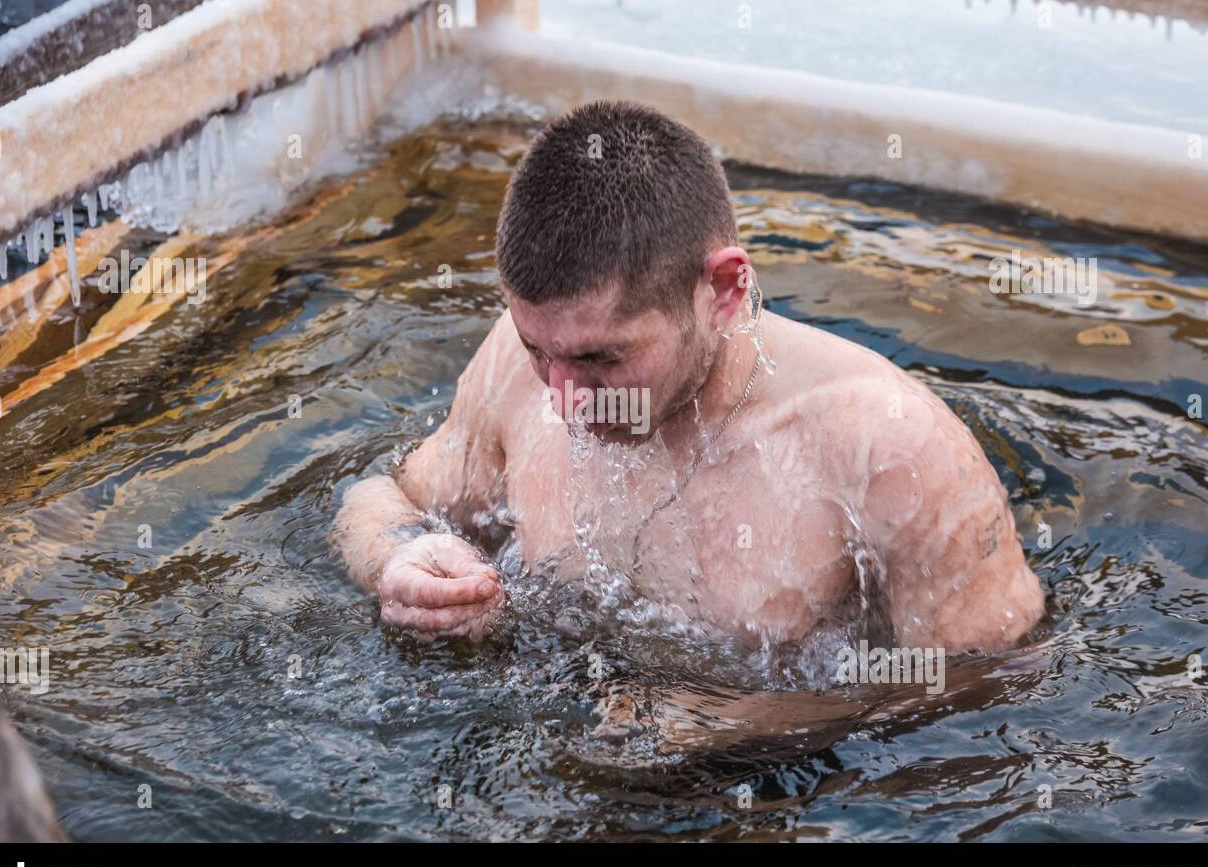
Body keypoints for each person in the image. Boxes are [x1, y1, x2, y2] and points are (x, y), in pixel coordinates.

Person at [334, 100, 1044, 656]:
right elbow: (382, 496)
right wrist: (398, 558)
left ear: (726, 289)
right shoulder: (519, 359)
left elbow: (984, 699)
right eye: (538, 350)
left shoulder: (888, 445)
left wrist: (734, 722)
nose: (564, 398)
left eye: (602, 359)